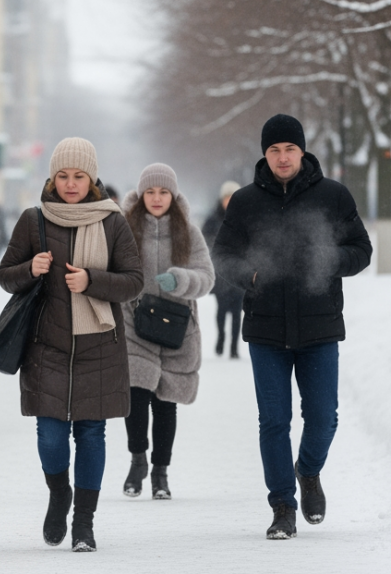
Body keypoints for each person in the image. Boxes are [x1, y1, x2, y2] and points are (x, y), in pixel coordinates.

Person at [212, 114, 373, 540]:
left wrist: (330, 259)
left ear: (302, 151)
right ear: (264, 154)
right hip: (266, 329)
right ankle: (283, 505)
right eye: (274, 150)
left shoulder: (333, 195)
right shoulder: (245, 202)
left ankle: (308, 471)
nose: (282, 158)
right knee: (274, 420)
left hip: (319, 326)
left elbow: (362, 250)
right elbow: (223, 254)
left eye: (290, 149)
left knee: (323, 418)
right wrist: (249, 275)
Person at [0, 137, 143, 552]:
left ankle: (84, 522)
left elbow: (134, 281)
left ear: (91, 178)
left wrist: (92, 281)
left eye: (79, 176)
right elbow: (5, 275)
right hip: (47, 346)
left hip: (99, 344)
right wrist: (30, 268)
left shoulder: (113, 222)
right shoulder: (33, 219)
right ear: (52, 177)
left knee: (92, 435)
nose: (71, 183)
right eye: (63, 175)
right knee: (50, 437)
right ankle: (59, 493)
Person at [119, 163, 214, 501]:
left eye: (163, 192)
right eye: (150, 191)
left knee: (165, 402)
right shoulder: (125, 229)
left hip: (177, 326)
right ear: (141, 194)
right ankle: (137, 459)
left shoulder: (189, 231)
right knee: (135, 393)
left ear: (172, 196)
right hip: (134, 322)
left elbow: (206, 277)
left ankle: (161, 472)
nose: (156, 198)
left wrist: (181, 280)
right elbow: (112, 271)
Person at [201, 180, 243, 358]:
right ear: (222, 199)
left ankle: (234, 347)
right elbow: (203, 241)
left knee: (236, 311)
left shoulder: (245, 218)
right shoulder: (212, 219)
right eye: (227, 197)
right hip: (220, 272)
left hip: (240, 272)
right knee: (222, 309)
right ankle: (221, 337)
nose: (230, 201)